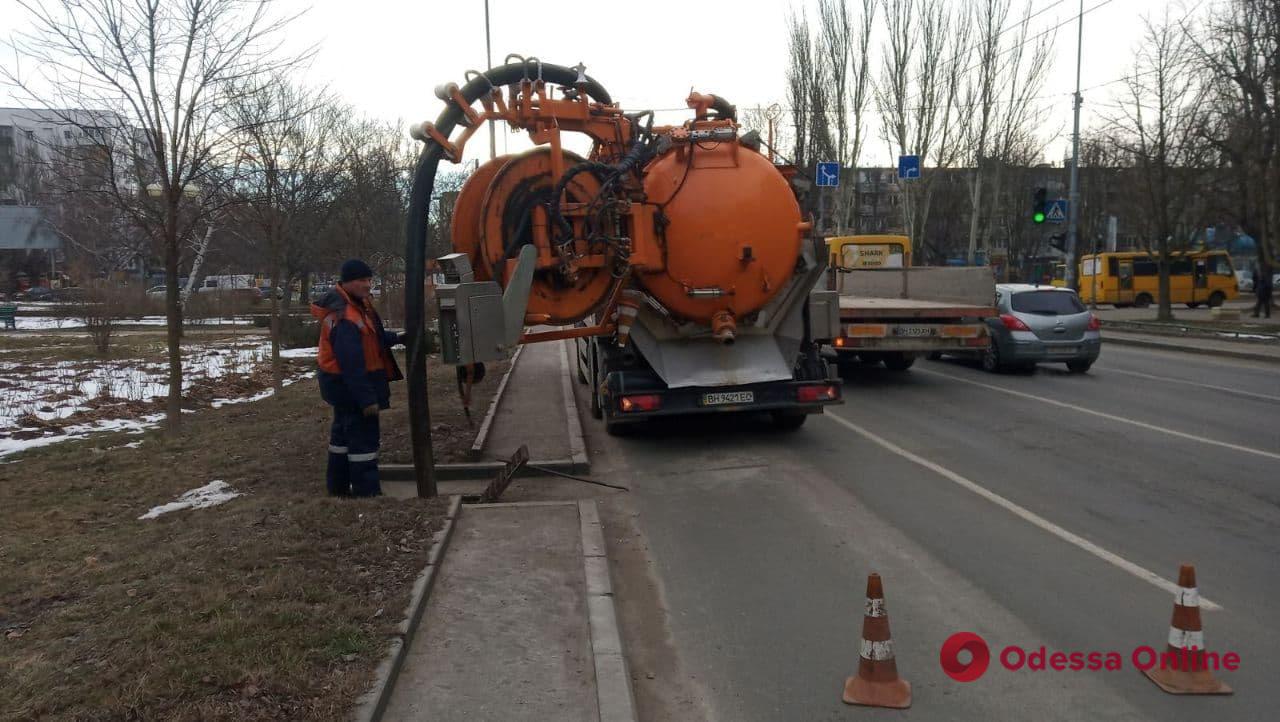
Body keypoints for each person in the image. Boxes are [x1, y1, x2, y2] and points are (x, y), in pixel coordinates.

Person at [311, 259, 404, 496]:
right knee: (364, 441)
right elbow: (351, 364)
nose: (368, 285)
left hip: (341, 387)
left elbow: (373, 337)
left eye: (369, 279)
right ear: (348, 282)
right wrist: (367, 400)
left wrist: (399, 337)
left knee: (342, 437)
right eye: (362, 280)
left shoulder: (356, 306)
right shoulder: (346, 316)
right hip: (351, 388)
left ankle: (339, 487)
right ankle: (367, 492)